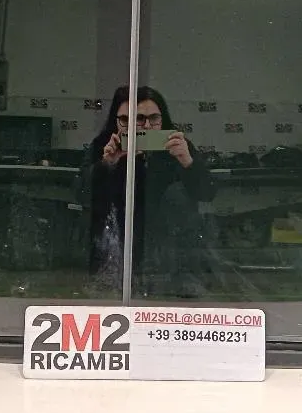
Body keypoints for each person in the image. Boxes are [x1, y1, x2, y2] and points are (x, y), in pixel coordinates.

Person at [82, 85, 215, 295]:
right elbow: (81, 193)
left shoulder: (176, 145)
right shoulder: (104, 145)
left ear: (163, 119)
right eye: (132, 120)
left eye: (153, 119)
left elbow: (207, 193)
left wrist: (188, 162)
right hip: (117, 248)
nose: (144, 126)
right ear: (117, 121)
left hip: (171, 253)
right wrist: (106, 165)